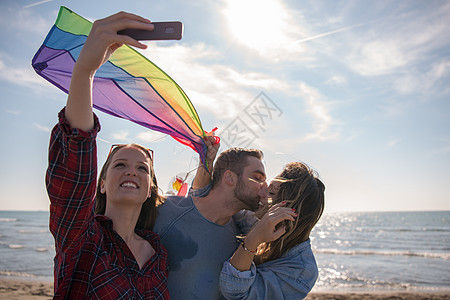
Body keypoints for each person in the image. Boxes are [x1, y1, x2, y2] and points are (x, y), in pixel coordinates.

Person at [46, 12, 170, 299]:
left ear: (150, 186)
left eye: (142, 169)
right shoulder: (82, 237)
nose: (132, 171)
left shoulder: (159, 253)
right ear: (101, 183)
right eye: (120, 164)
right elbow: (73, 177)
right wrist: (85, 71)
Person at [153, 147, 270, 299]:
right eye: (257, 178)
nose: (264, 186)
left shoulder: (240, 240)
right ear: (230, 178)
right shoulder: (164, 211)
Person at [219, 162, 325, 299]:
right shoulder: (255, 217)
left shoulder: (301, 271)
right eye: (267, 186)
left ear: (288, 211)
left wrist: (253, 239)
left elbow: (234, 293)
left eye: (271, 192)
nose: (260, 192)